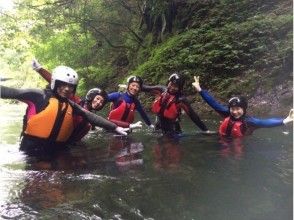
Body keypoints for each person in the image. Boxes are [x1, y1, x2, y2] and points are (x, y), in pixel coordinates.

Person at [0, 65, 129, 155]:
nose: (67, 89)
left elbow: (91, 116)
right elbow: (9, 92)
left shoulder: (72, 105)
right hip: (30, 152)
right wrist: (40, 69)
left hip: (55, 151)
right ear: (55, 83)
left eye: (71, 86)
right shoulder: (38, 95)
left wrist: (115, 127)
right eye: (63, 84)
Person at [32, 59, 142, 141]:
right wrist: (40, 69)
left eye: (102, 102)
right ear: (91, 97)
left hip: (70, 143)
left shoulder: (92, 117)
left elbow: (105, 122)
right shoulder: (77, 102)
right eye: (97, 99)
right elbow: (58, 84)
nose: (99, 103)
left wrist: (127, 126)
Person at [192, 76, 293, 138]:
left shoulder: (249, 121)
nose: (235, 112)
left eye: (238, 109)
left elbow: (265, 123)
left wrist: (284, 121)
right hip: (221, 140)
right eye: (233, 109)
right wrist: (200, 90)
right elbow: (213, 103)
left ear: (244, 109)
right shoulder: (227, 113)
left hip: (239, 145)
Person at [139, 72, 211, 136]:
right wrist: (133, 84)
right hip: (158, 126)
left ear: (180, 88)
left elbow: (193, 116)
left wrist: (205, 130)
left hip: (173, 129)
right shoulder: (160, 90)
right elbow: (144, 88)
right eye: (171, 84)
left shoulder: (181, 100)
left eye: (176, 86)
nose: (172, 88)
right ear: (168, 82)